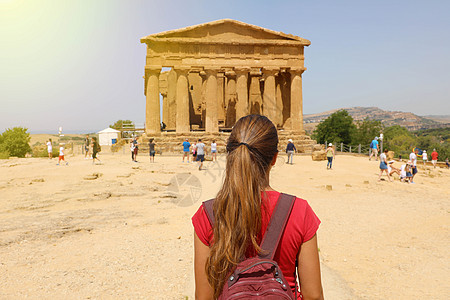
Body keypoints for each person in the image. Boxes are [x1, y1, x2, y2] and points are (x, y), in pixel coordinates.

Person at [192, 115, 323, 299]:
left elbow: (204, 297)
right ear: (275, 158)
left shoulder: (208, 215)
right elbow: (314, 296)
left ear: (230, 154)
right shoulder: (299, 211)